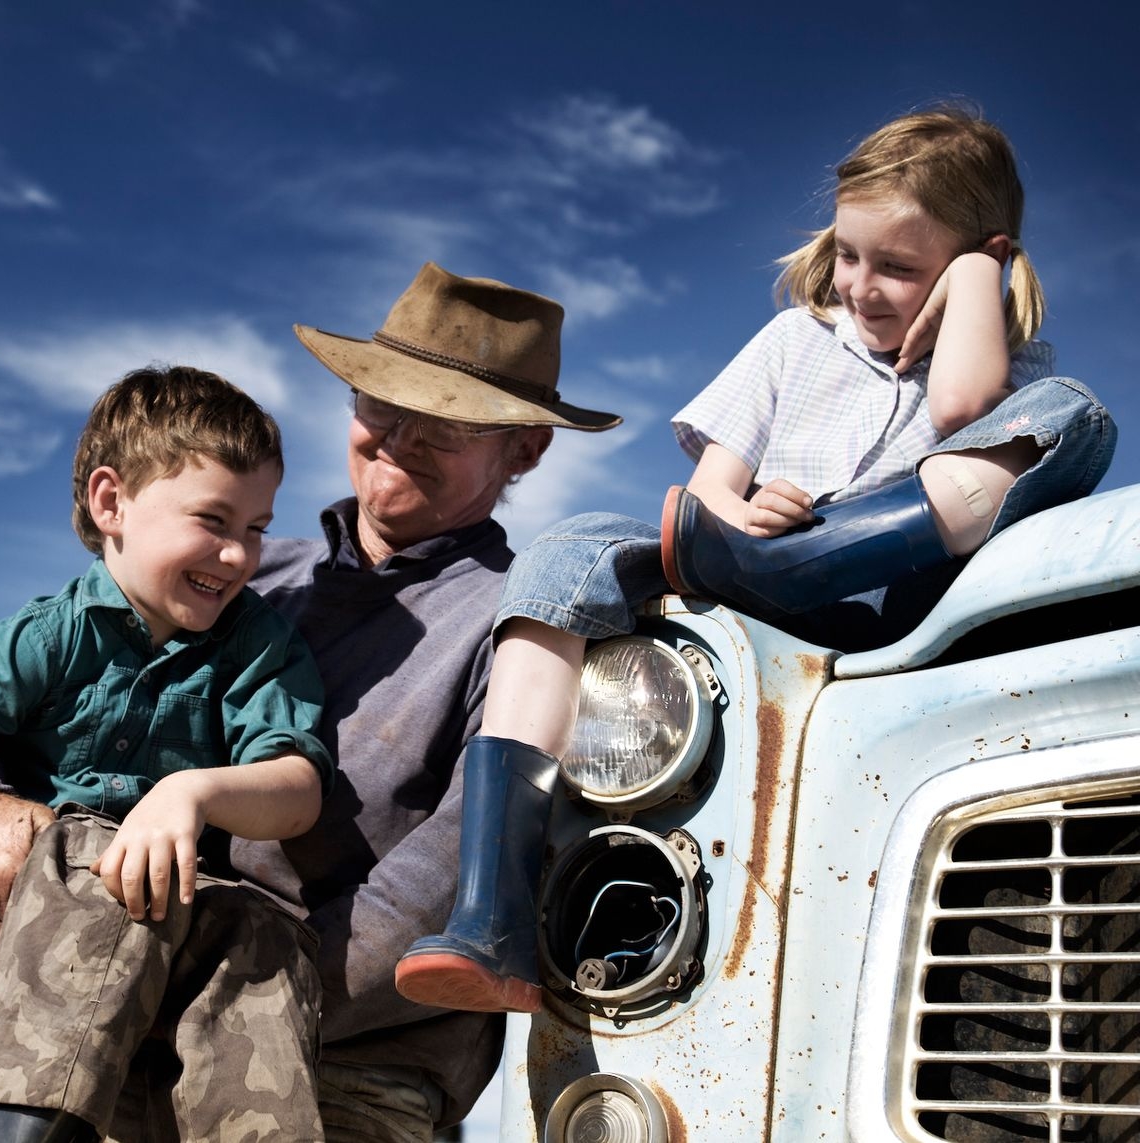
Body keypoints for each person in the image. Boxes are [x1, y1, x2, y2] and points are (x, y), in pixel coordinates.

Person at [394, 106, 1116, 1015]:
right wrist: (754, 521)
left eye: (900, 266)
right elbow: (712, 502)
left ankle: (810, 557)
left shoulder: (1003, 371)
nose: (861, 285)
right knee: (570, 547)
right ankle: (490, 913)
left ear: (981, 258)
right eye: (850, 255)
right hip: (759, 580)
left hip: (901, 600)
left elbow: (965, 399)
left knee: (1078, 412)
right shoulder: (794, 344)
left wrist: (979, 278)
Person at [0, 262, 619, 1141]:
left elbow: (436, 888)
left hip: (338, 1064)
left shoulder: (525, 629)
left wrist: (199, 991)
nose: (397, 438)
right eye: (382, 402)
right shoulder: (233, 567)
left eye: (444, 423)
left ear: (524, 448)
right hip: (118, 993)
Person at [0, 366, 336, 1143]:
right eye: (213, 519)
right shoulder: (43, 640)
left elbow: (298, 786)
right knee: (94, 856)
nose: (239, 555)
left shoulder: (256, 647)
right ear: (112, 503)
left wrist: (192, 793)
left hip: (144, 953)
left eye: (258, 527)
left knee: (263, 932)